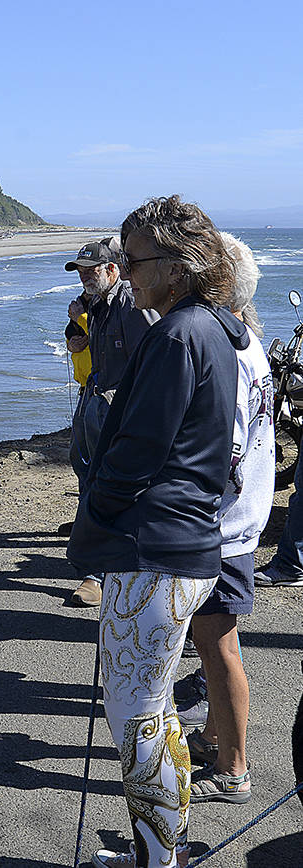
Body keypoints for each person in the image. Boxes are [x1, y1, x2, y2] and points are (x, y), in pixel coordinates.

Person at [67, 196, 247, 868]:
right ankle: (157, 853)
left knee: (138, 715)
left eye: (134, 258)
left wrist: (98, 516)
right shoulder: (216, 328)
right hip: (187, 543)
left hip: (155, 551)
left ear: (176, 265)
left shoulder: (176, 336)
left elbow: (138, 449)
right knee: (154, 709)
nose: (125, 271)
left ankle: (157, 859)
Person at [180, 233, 271, 807]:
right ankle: (216, 736)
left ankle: (235, 765)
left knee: (218, 644)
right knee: (213, 641)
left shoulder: (230, 354)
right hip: (239, 520)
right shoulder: (251, 343)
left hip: (222, 527)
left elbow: (227, 450)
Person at [63, 237, 158, 608]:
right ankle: (92, 550)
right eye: (81, 272)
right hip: (93, 398)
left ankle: (97, 572)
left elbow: (153, 361)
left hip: (115, 409)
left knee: (106, 483)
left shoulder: (130, 305)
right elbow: (78, 345)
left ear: (113, 270)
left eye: (92, 271)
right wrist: (78, 320)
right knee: (84, 471)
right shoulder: (96, 304)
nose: (86, 277)